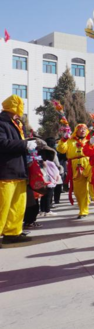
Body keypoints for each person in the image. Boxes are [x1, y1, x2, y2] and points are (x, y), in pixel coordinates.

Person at [0, 95, 36, 246]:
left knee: (18, 204)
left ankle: (12, 233)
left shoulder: (17, 123)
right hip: (5, 170)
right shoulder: (2, 123)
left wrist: (30, 144)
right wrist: (24, 145)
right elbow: (2, 143)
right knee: (3, 205)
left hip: (19, 169)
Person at [57, 124, 92, 219]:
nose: (82, 131)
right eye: (80, 129)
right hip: (75, 165)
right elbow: (61, 150)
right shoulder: (69, 141)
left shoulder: (90, 140)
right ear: (76, 130)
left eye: (84, 129)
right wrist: (63, 139)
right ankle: (83, 210)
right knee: (79, 191)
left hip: (89, 163)